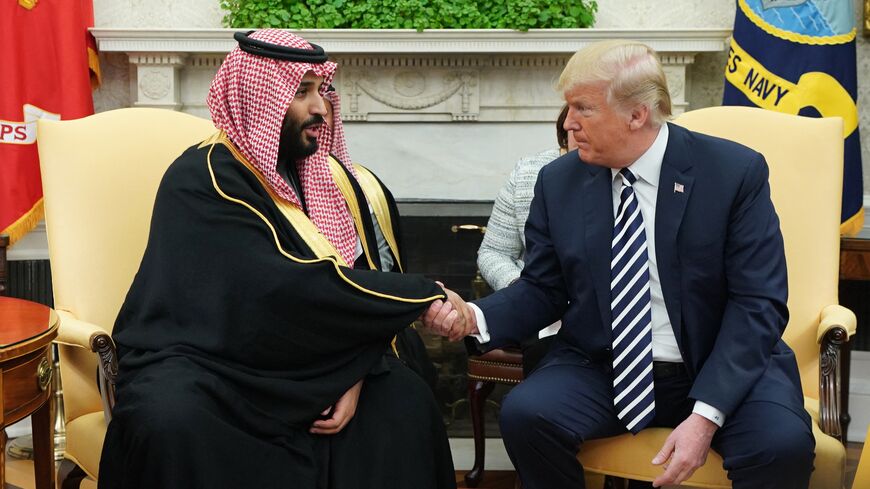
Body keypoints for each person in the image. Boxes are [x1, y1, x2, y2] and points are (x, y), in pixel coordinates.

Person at [423, 39, 814, 489]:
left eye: (583, 108)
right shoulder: (560, 181)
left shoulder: (732, 173)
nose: (568, 124)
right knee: (527, 415)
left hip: (719, 361)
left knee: (780, 445)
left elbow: (757, 303)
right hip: (604, 366)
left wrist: (706, 415)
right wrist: (474, 316)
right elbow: (542, 289)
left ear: (637, 114)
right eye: (568, 108)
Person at [98, 29, 458, 489]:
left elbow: (362, 282)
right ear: (258, 99)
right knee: (169, 419)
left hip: (317, 359)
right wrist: (425, 295)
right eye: (301, 92)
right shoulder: (202, 179)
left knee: (403, 404)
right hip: (208, 362)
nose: (320, 109)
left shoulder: (336, 183)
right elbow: (278, 289)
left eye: (322, 91)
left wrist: (355, 374)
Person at [476, 104, 576, 374]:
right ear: (565, 135)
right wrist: (523, 287)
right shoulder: (529, 173)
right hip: (542, 315)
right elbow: (492, 252)